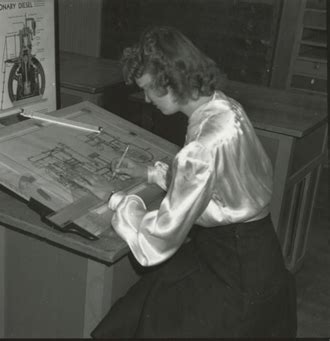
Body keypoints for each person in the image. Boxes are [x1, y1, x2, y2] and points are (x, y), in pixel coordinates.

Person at [79, 26, 297, 338]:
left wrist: (116, 199)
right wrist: (149, 173)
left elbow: (159, 238)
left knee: (137, 321)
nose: (146, 98)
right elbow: (214, 183)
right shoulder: (225, 108)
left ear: (173, 83)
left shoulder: (199, 149)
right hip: (259, 254)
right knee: (140, 305)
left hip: (233, 272)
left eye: (150, 89)